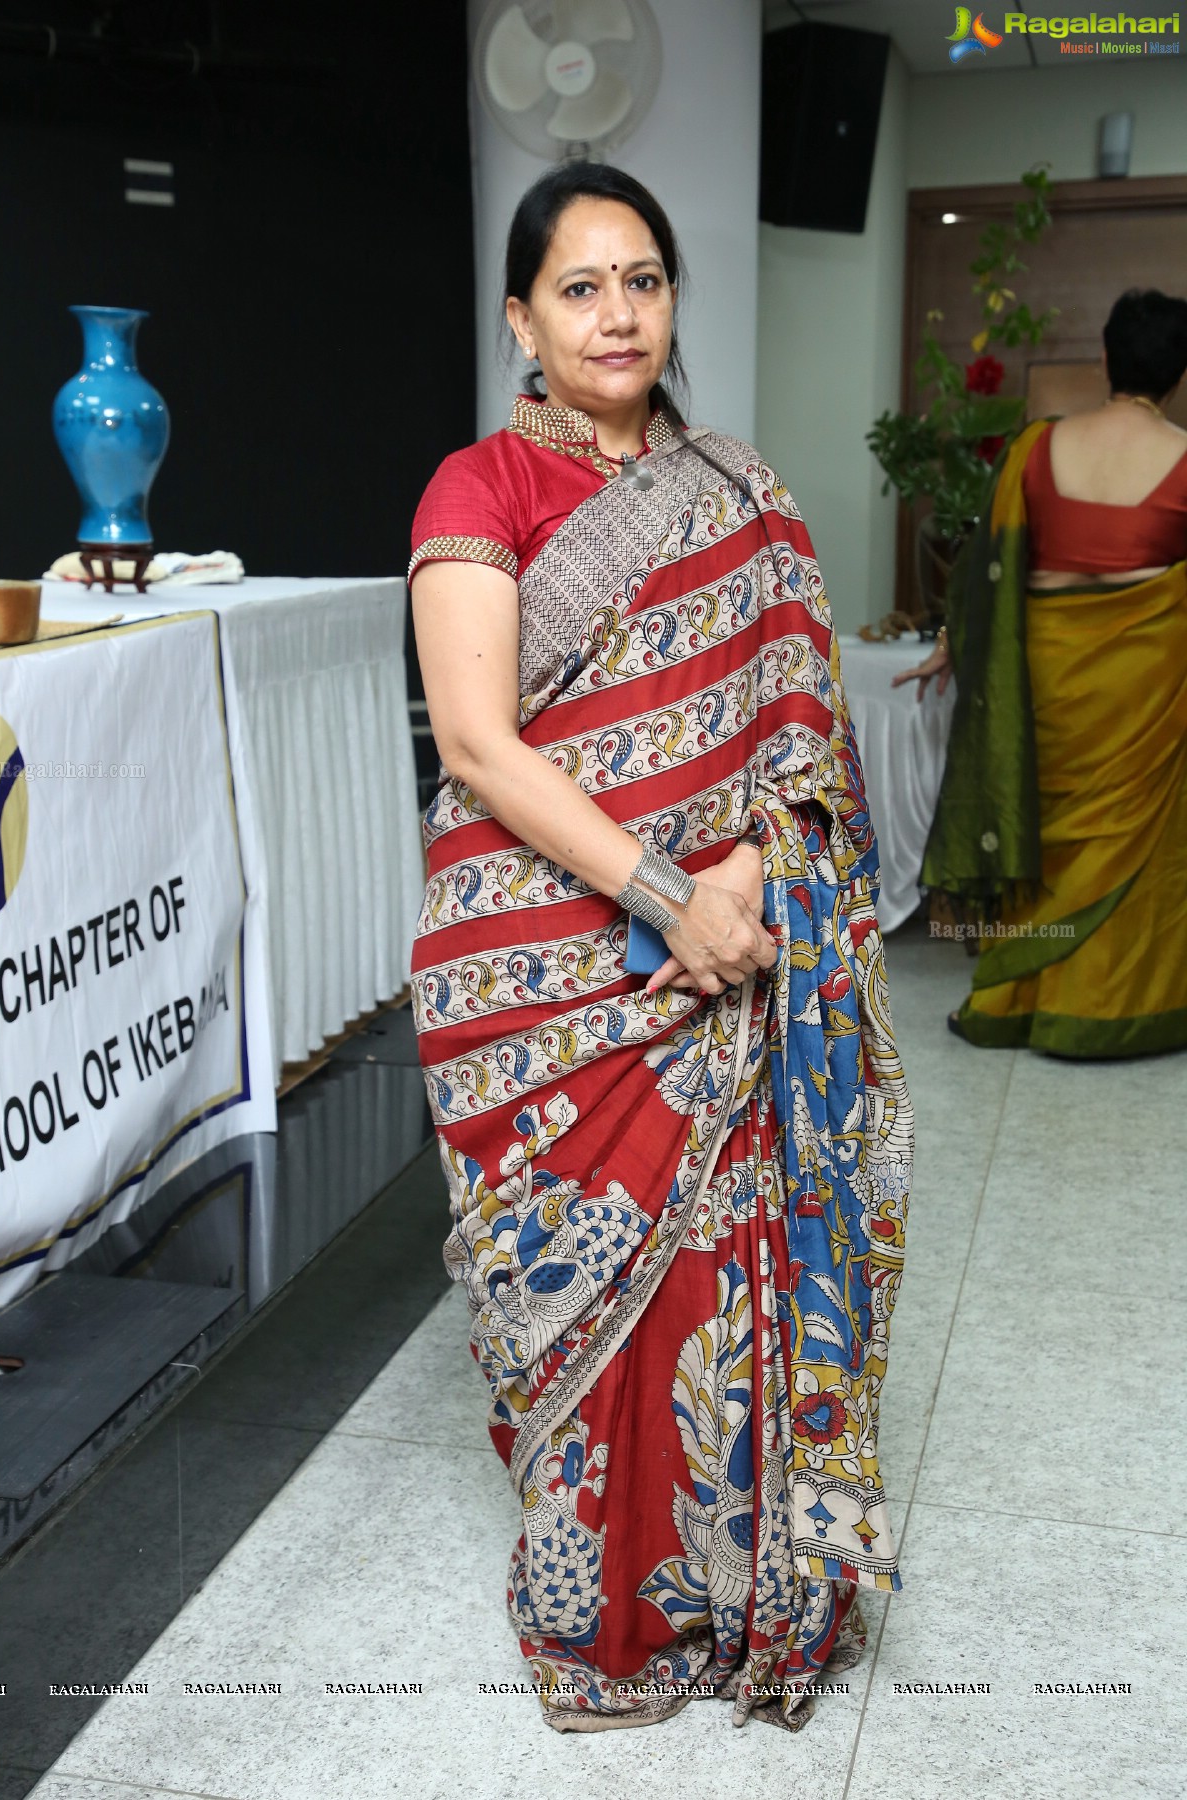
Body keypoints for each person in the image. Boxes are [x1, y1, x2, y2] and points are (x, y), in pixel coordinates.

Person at [408, 161, 912, 1733]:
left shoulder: (746, 497)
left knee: (724, 1279)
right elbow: (484, 750)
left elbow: (803, 738)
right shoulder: (477, 489)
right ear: (521, 318)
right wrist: (666, 896)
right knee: (572, 1296)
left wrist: (748, 881)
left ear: (674, 299)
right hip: (538, 973)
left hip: (727, 947)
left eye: (643, 280)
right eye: (579, 287)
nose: (617, 314)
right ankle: (606, 1601)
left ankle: (740, 1584)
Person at [894, 288, 1187, 1057]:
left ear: (1103, 358)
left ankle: (1020, 995)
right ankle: (1113, 1005)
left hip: (1044, 684)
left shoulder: (1034, 450)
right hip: (1145, 691)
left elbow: (983, 570)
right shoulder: (1185, 462)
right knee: (1135, 848)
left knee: (1040, 835)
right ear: (1179, 377)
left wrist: (950, 646)